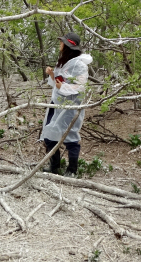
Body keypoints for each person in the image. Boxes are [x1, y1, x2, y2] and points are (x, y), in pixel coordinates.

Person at [41, 32, 93, 177]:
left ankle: (72, 170)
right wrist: (52, 75)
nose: (60, 44)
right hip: (56, 104)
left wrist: (62, 88)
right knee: (49, 133)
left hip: (70, 106)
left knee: (71, 137)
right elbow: (58, 82)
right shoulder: (64, 61)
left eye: (62, 42)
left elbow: (80, 87)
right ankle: (54, 166)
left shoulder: (80, 65)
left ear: (68, 45)